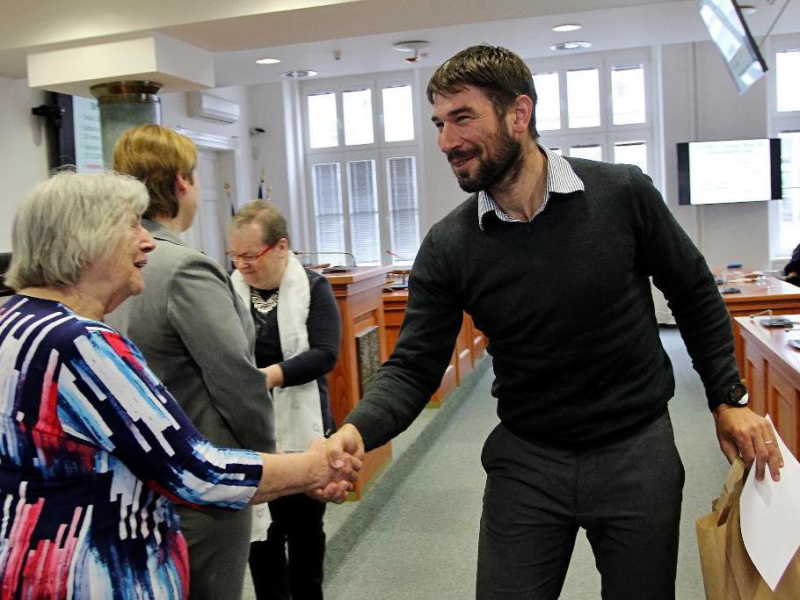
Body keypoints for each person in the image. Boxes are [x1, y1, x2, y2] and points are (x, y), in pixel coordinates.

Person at [321, 45, 784, 599]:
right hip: (527, 459)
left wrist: (726, 397)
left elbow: (693, 290)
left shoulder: (622, 193)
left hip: (636, 453)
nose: (446, 141)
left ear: (519, 114)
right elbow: (413, 366)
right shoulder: (449, 246)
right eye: (440, 124)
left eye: (463, 118)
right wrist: (354, 430)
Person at [0, 171, 357, 598]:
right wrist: (317, 466)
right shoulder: (81, 345)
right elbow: (196, 471)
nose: (148, 240)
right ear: (86, 241)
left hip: (29, 564)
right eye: (130, 226)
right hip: (89, 574)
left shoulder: (15, 321)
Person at [108, 124, 279, 599]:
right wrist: (266, 461)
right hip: (203, 484)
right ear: (183, 183)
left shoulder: (108, 259)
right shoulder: (184, 267)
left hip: (134, 479)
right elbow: (236, 379)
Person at [227, 200, 341, 600]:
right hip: (251, 429)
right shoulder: (227, 289)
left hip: (304, 430)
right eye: (234, 255)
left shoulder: (313, 287)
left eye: (250, 254)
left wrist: (269, 377)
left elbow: (325, 353)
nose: (241, 264)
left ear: (280, 246)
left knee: (305, 534)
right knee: (262, 538)